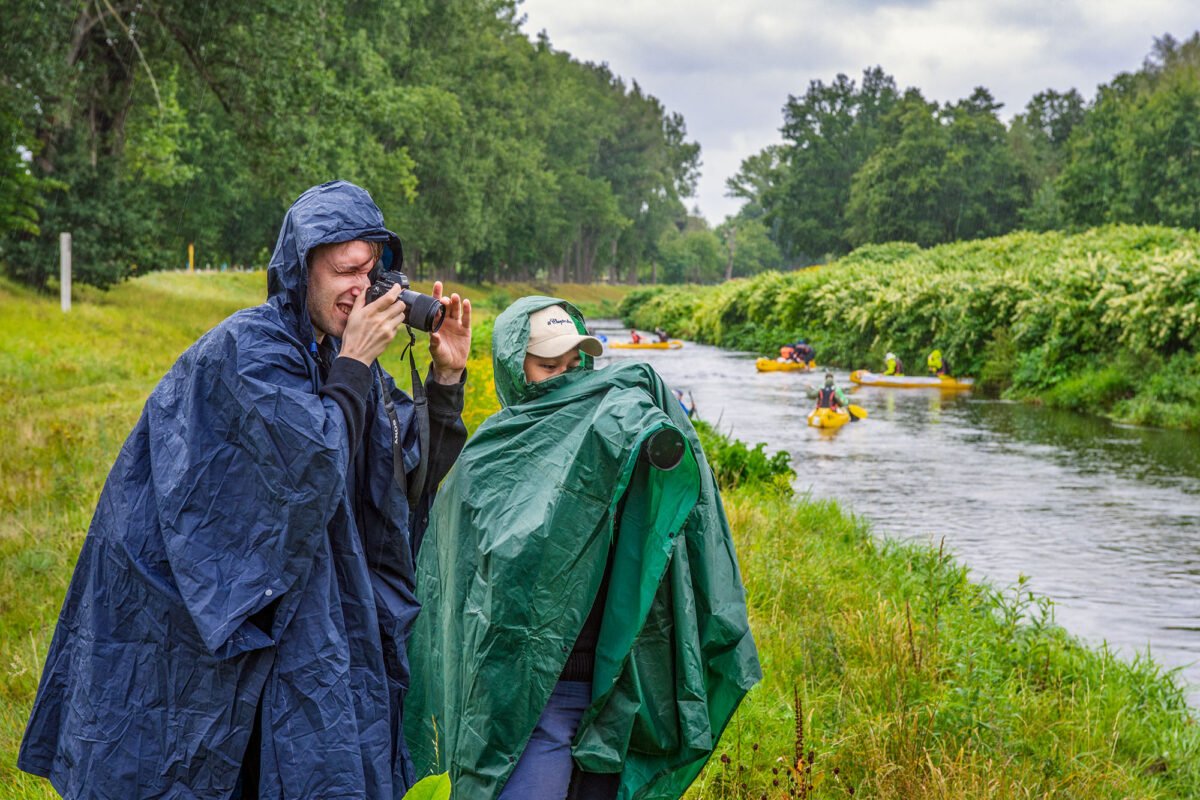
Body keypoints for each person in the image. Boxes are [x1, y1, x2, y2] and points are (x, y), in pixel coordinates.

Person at [18, 181, 472, 800]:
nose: (361, 289)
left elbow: (400, 481)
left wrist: (445, 381)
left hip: (295, 618)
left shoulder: (333, 356)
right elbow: (309, 468)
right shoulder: (248, 351)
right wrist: (356, 364)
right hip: (198, 619)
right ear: (300, 268)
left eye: (372, 271)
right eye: (344, 271)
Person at [406, 296, 760, 800]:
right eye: (550, 366)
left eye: (577, 364)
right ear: (514, 368)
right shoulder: (487, 457)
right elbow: (460, 591)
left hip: (613, 694)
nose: (570, 379)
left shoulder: (612, 435)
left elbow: (667, 500)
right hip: (525, 704)